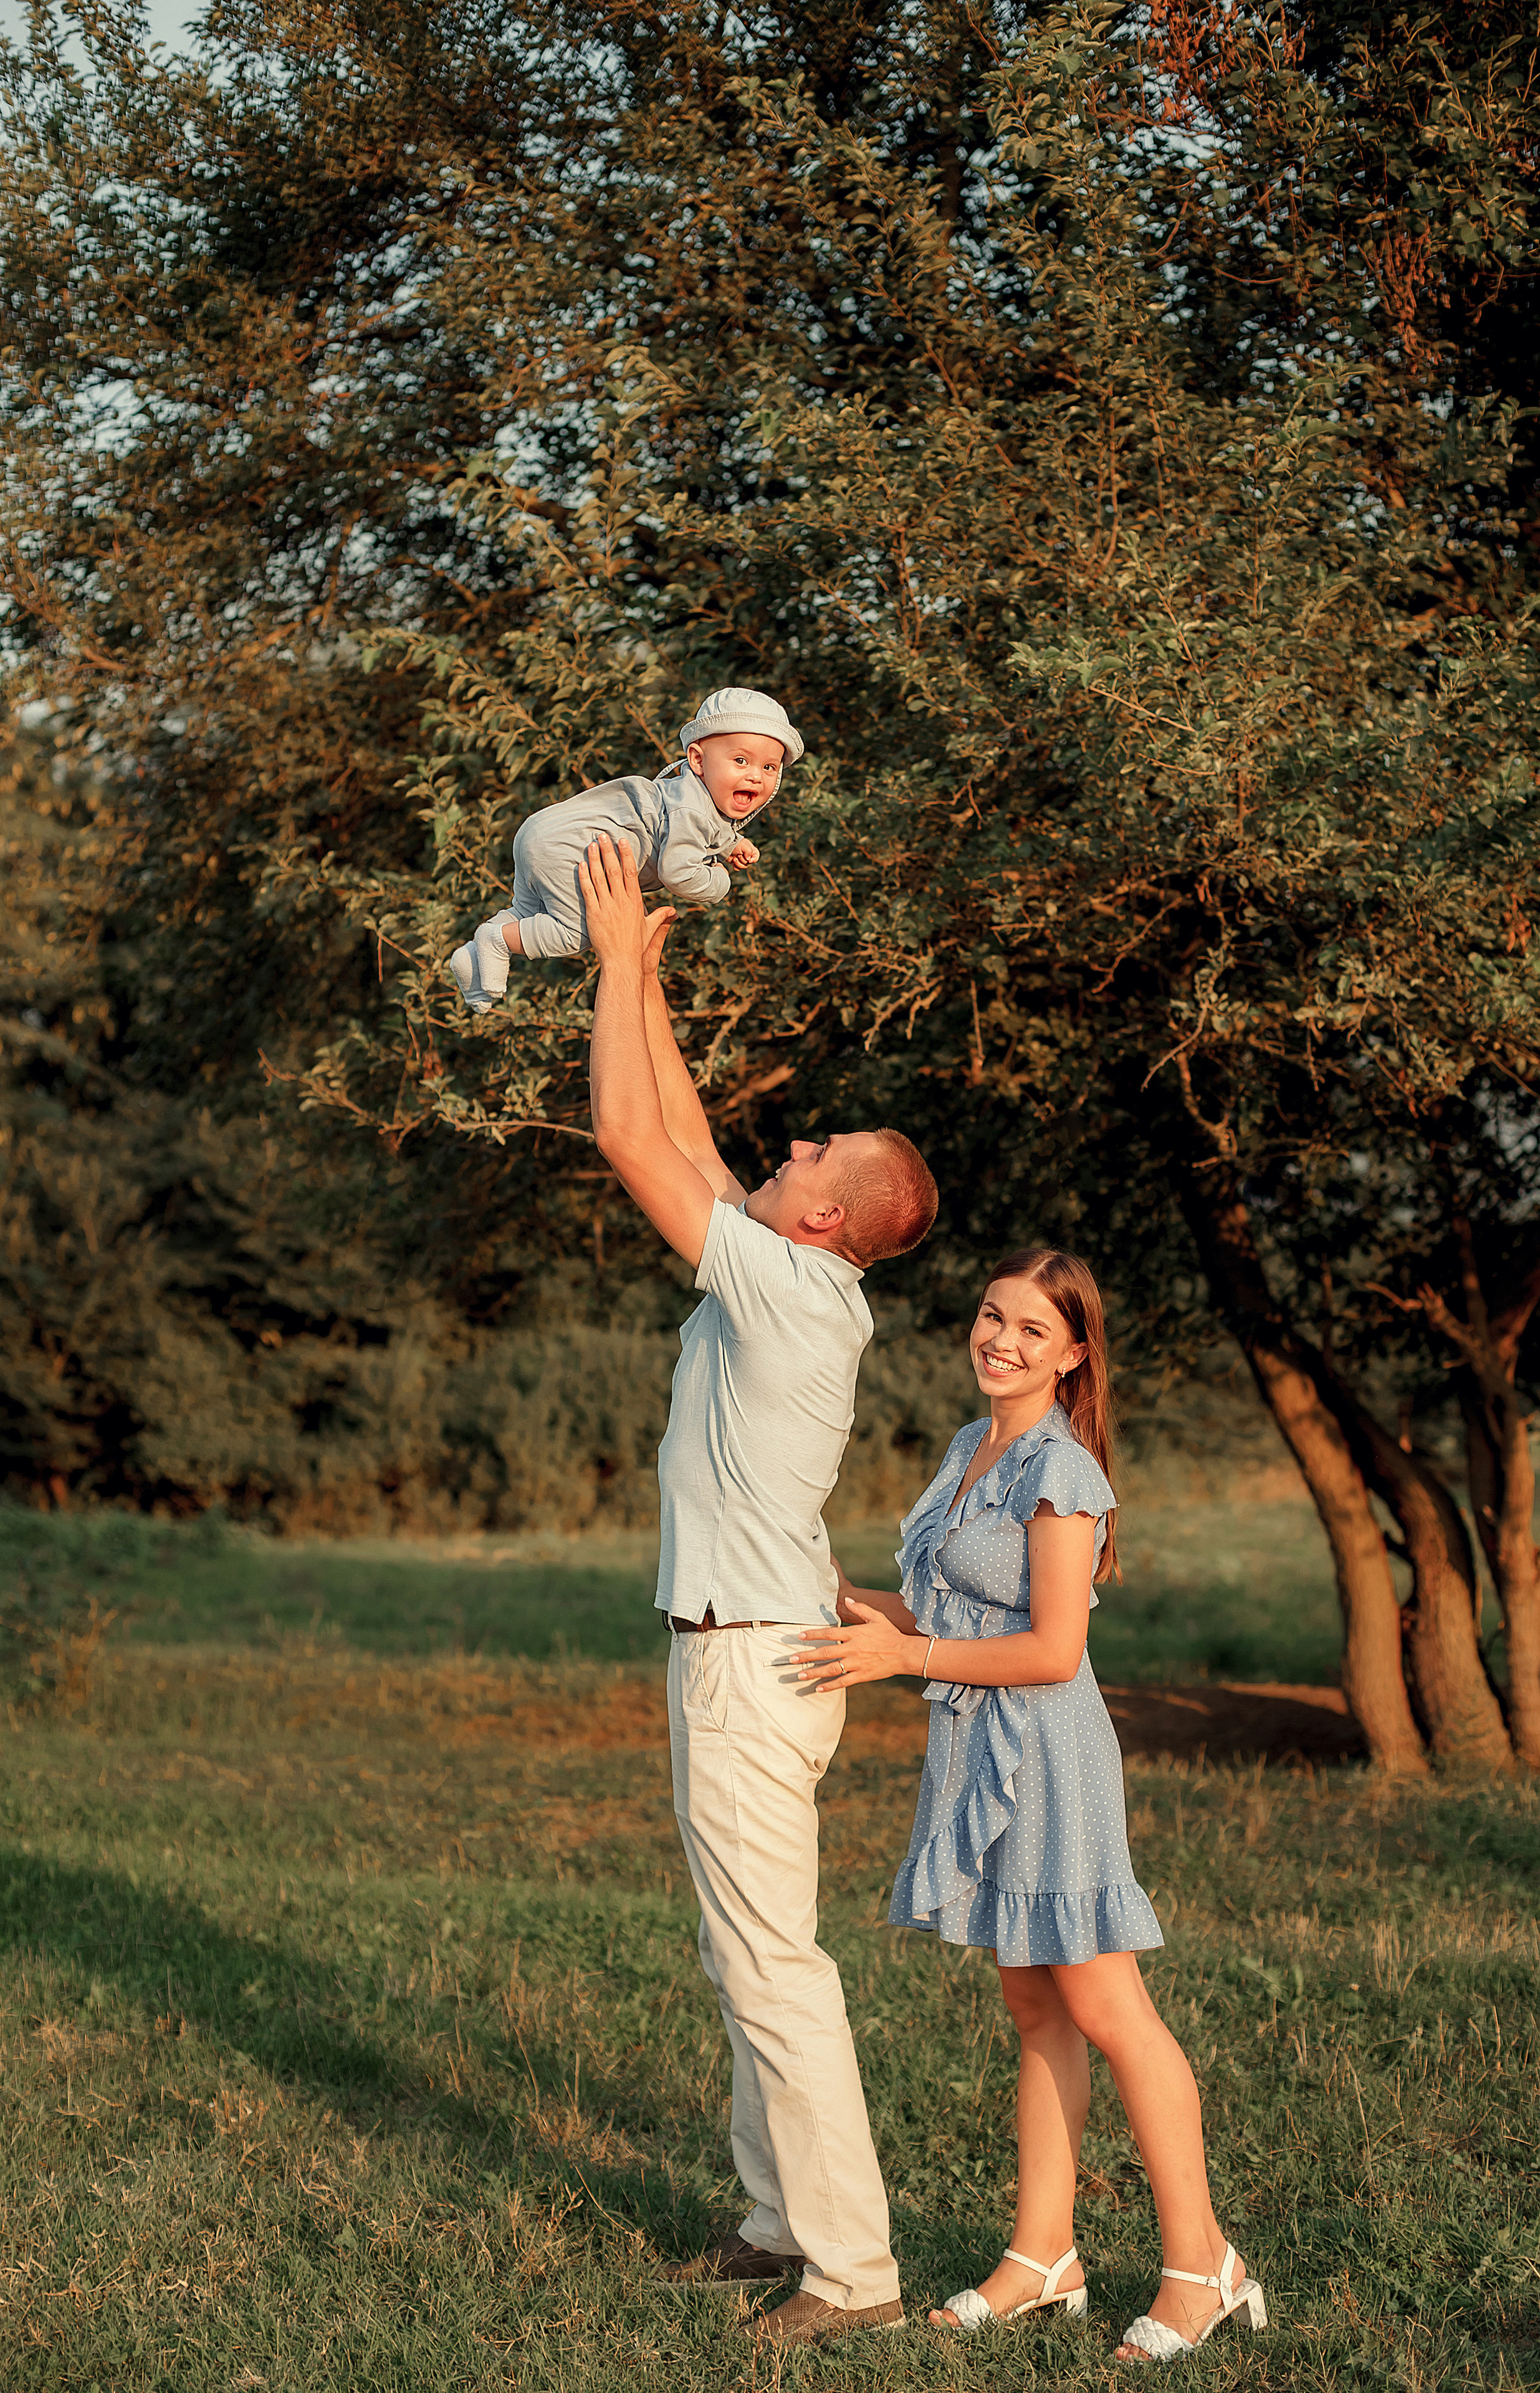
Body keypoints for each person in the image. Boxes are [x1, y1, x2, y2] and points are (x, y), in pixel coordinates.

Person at [577, 829, 939, 2352]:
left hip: (746, 1663)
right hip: (750, 1640)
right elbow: (685, 1135)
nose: (783, 1150)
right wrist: (645, 978)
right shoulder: (788, 1265)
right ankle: (772, 2217)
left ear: (825, 1220)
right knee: (745, 1948)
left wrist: (604, 970)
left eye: (806, 1159)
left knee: (771, 1962)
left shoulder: (785, 1281)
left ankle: (849, 2270)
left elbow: (627, 1144)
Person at [796, 1248, 1271, 2363]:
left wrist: (905, 1652)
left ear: (1073, 1355)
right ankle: (1041, 2256)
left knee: (1113, 2013)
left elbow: (1057, 1650)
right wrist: (815, 1584)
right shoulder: (973, 1449)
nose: (999, 1339)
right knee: (1036, 2011)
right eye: (990, 1315)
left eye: (1029, 1329)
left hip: (1050, 1759)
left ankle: (1204, 2267)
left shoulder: (1060, 1469)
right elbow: (928, 1608)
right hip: (976, 1753)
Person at [449, 685, 800, 1008]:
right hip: (573, 848)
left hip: (544, 832)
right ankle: (497, 942)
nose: (757, 775)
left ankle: (472, 961)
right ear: (698, 761)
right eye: (741, 761)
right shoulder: (691, 809)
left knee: (528, 911)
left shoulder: (683, 790)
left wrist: (730, 843)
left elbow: (697, 825)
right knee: (578, 932)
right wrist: (718, 882)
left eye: (770, 767)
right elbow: (677, 872)